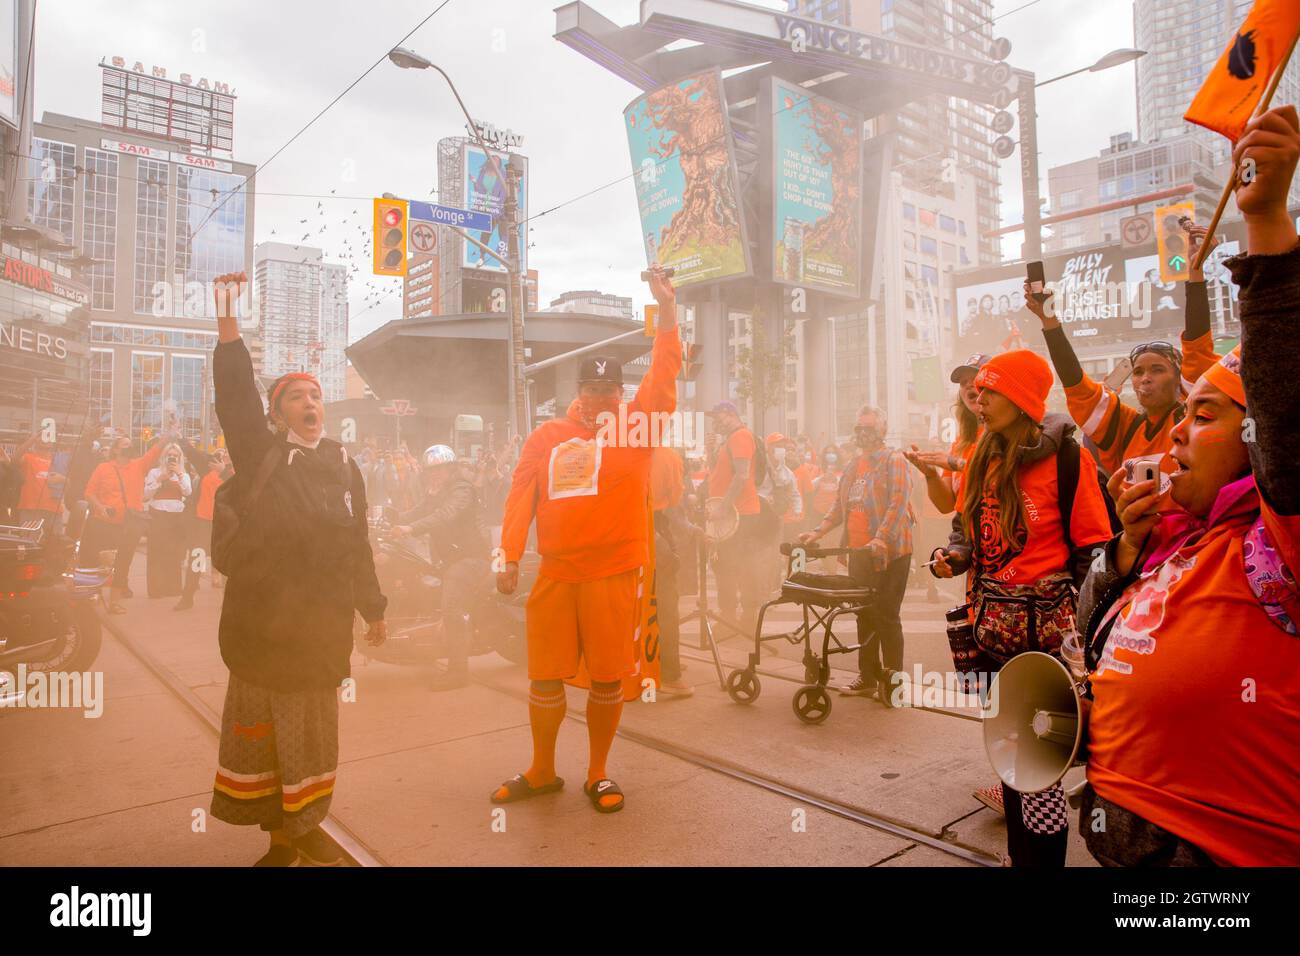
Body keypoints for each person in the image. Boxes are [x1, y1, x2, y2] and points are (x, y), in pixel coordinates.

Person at [1076, 105, 1300, 866]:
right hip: (1123, 837)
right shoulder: (1181, 536)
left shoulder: (1283, 542)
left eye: (1202, 412)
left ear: (1253, 439)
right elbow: (1094, 630)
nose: (1172, 430)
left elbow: (1284, 408)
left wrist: (1264, 221)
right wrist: (1125, 550)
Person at [206, 271, 387, 867]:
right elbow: (235, 398)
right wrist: (228, 319)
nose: (309, 404)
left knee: (308, 739)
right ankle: (281, 839)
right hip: (261, 631)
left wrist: (375, 609)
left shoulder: (343, 467)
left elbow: (358, 544)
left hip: (317, 635)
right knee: (265, 741)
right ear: (278, 415)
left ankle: (302, 832)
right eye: (294, 398)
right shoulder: (263, 454)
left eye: (314, 396)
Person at [492, 265, 681, 814]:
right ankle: (543, 769)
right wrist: (505, 556)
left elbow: (664, 375)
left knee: (606, 677)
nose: (600, 398)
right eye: (591, 388)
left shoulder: (637, 428)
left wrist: (666, 311)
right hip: (554, 573)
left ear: (620, 393)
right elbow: (518, 497)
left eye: (609, 389)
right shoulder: (546, 436)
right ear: (577, 391)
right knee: (544, 675)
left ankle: (598, 773)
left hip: (613, 573)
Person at [929, 349, 1113, 866]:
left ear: (1022, 397)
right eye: (977, 390)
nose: (978, 399)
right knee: (1009, 755)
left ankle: (1041, 862)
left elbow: (1094, 551)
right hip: (990, 635)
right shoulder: (980, 456)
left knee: (1041, 767)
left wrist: (1084, 641)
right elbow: (966, 531)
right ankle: (1019, 857)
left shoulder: (1068, 458)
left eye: (990, 390)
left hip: (1047, 646)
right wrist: (952, 557)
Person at [1025, 227, 1222, 477]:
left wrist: (1195, 274)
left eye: (1158, 369)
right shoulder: (1124, 428)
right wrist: (1049, 320)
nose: (1145, 378)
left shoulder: (1194, 418)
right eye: (1138, 372)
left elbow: (1197, 347)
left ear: (1180, 379)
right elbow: (1078, 388)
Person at [800, 406, 913, 698]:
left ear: (881, 431)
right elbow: (840, 506)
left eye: (869, 427)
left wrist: (880, 539)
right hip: (858, 554)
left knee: (887, 616)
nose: (863, 432)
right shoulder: (853, 465)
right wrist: (817, 532)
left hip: (891, 553)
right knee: (864, 614)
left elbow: (898, 504)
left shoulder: (893, 460)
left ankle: (894, 683)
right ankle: (868, 677)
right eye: (859, 427)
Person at [392, 443, 490, 687]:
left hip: (471, 558)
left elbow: (446, 514)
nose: (435, 474)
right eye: (431, 471)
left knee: (452, 608)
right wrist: (392, 520)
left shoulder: (461, 489)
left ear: (451, 469)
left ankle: (458, 672)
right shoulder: (436, 492)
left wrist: (410, 529)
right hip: (449, 559)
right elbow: (420, 510)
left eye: (440, 470)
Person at [82, 434, 166, 612]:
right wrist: (100, 506)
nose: (129, 447)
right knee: (101, 561)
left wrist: (170, 432)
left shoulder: (139, 465)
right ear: (115, 449)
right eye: (125, 444)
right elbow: (89, 492)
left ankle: (114, 602)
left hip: (130, 524)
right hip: (104, 523)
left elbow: (155, 450)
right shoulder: (103, 467)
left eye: (131, 444)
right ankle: (93, 594)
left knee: (123, 562)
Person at [706, 401, 767, 633]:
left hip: (741, 515)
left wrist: (724, 505)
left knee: (741, 566)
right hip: (730, 515)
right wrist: (709, 451)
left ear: (730, 414)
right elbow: (718, 474)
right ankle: (730, 616)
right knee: (725, 566)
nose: (714, 422)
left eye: (717, 416)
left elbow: (742, 477)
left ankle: (745, 618)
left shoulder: (740, 436)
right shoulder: (728, 440)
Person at [905, 354, 988, 515]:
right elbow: (946, 505)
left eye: (976, 378)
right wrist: (931, 475)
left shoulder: (1003, 432)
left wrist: (957, 463)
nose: (969, 385)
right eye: (963, 383)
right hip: (965, 534)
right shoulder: (960, 442)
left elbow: (1001, 479)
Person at [650, 443, 693, 698]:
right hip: (655, 526)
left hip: (620, 532)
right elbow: (676, 498)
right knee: (666, 603)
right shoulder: (666, 456)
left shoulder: (618, 451)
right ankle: (670, 673)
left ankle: (646, 662)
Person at [175, 442, 232, 610]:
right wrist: (181, 440)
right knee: (196, 561)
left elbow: (241, 488)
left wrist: (224, 471)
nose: (226, 453)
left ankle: (228, 603)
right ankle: (187, 598)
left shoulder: (239, 471)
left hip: (225, 526)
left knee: (227, 565)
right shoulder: (209, 467)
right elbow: (195, 455)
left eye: (229, 452)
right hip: (203, 524)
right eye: (225, 451)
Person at [143, 443, 192, 598]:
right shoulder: (154, 472)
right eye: (169, 455)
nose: (172, 458)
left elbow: (188, 492)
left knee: (174, 553)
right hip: (158, 514)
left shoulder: (184, 474)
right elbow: (145, 495)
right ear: (164, 456)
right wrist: (160, 479)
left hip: (177, 516)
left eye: (175, 456)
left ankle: (173, 588)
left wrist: (179, 474)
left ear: (179, 458)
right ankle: (156, 590)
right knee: (156, 552)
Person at [13, 431, 66, 537]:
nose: (45, 440)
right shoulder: (28, 457)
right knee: (28, 543)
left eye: (49, 436)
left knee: (55, 545)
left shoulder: (59, 460)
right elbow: (15, 459)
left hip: (54, 509)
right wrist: (31, 439)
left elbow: (70, 483)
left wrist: (64, 479)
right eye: (42, 436)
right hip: (30, 508)